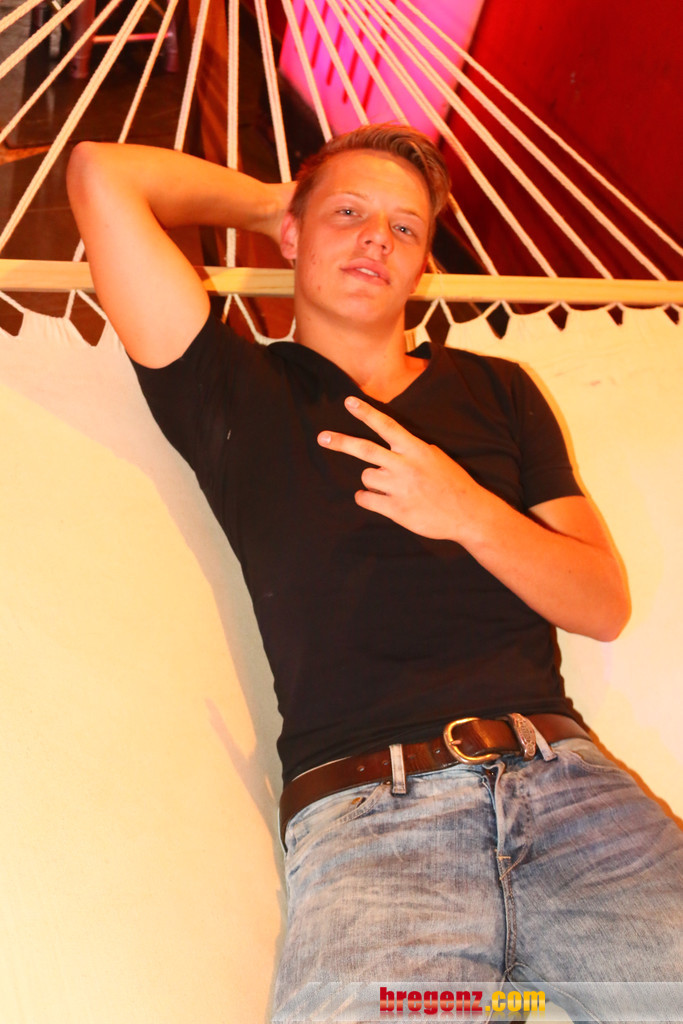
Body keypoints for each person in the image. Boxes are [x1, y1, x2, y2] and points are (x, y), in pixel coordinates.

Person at [67, 125, 682, 1022]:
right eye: (348, 215)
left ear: (423, 263)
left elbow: (600, 604)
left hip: (572, 797)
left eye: (404, 227)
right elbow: (99, 173)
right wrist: (279, 201)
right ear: (292, 234)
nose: (375, 241)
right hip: (372, 824)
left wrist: (465, 510)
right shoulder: (233, 390)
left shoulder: (498, 390)